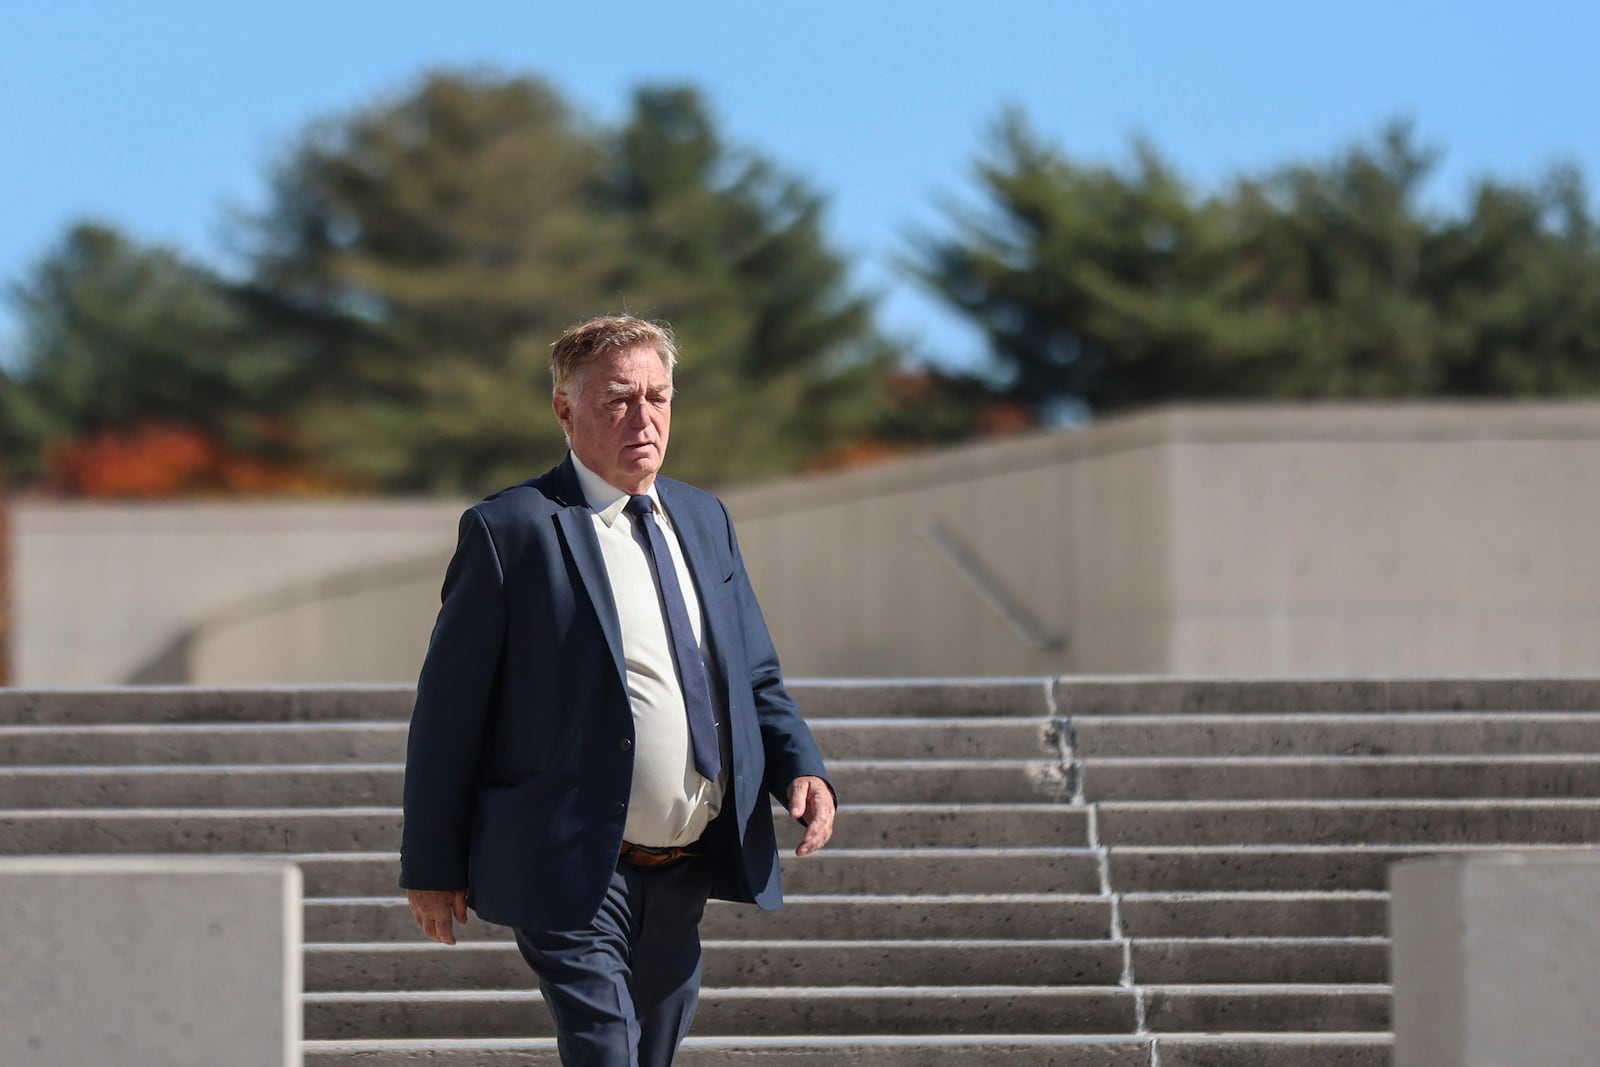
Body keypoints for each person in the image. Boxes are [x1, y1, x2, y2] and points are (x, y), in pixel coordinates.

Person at [400, 314, 836, 1067]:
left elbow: (753, 669)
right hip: (569, 859)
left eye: (659, 397)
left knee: (653, 1050)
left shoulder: (704, 518)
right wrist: (433, 865)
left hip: (685, 860)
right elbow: (448, 712)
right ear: (566, 412)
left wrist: (802, 762)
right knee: (605, 1046)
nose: (645, 418)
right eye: (618, 400)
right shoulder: (513, 530)